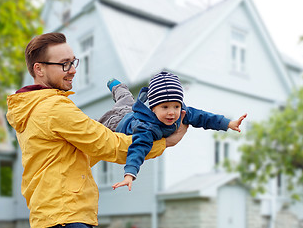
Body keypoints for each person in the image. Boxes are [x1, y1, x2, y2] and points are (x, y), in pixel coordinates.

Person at [6, 33, 188, 228]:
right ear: (38, 69)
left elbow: (79, 156)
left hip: (54, 220)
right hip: (66, 222)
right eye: (64, 64)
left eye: (73, 62)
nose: (73, 70)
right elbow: (109, 145)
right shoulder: (53, 108)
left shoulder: (32, 108)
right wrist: (164, 143)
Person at [98, 71, 247, 191]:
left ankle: (117, 86)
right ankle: (115, 85)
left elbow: (203, 117)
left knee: (126, 99)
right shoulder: (147, 128)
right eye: (165, 107)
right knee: (118, 105)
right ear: (153, 107)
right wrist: (129, 174)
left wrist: (228, 123)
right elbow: (137, 149)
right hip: (117, 122)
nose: (172, 113)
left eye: (175, 106)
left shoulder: (182, 113)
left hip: (132, 112)